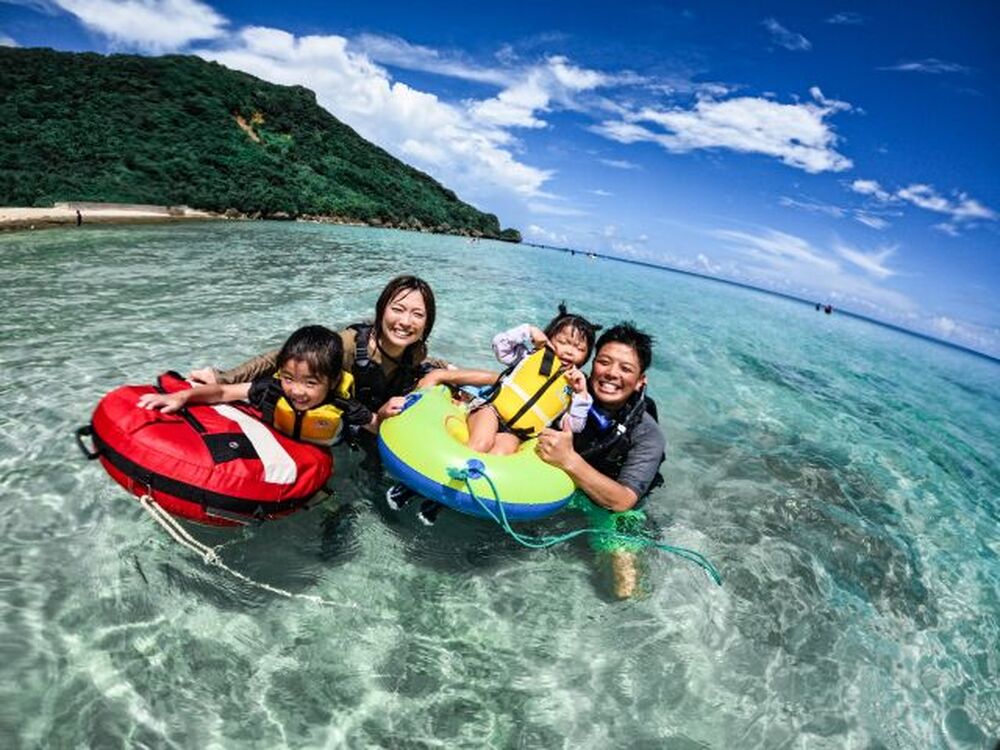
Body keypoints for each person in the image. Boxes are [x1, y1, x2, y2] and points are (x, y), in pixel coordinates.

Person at [389, 305, 600, 524]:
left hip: (516, 433)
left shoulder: (575, 387)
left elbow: (573, 426)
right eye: (563, 342)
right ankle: (410, 487)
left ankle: (441, 501)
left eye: (579, 348)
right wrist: (528, 331)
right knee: (481, 444)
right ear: (549, 338)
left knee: (498, 455)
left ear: (586, 356)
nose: (569, 351)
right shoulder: (530, 355)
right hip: (491, 411)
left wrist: (581, 394)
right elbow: (500, 345)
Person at [189, 275, 441, 450]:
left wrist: (443, 372)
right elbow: (284, 357)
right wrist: (224, 378)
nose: (405, 322)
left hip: (368, 416)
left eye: (417, 314)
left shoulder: (416, 351)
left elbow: (422, 365)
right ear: (381, 310)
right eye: (398, 309)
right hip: (338, 417)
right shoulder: (348, 344)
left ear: (426, 323)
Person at [535, 323, 666, 599]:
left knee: (623, 588)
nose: (612, 373)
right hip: (560, 484)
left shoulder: (647, 434)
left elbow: (623, 500)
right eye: (604, 362)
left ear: (640, 381)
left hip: (608, 505)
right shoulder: (568, 390)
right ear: (592, 364)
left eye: (626, 368)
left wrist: (569, 460)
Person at [138, 325, 372, 444]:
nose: (296, 391)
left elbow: (375, 424)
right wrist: (181, 397)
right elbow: (223, 391)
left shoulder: (344, 405)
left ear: (332, 382)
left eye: (310, 383)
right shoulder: (273, 389)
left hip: (324, 453)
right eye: (289, 378)